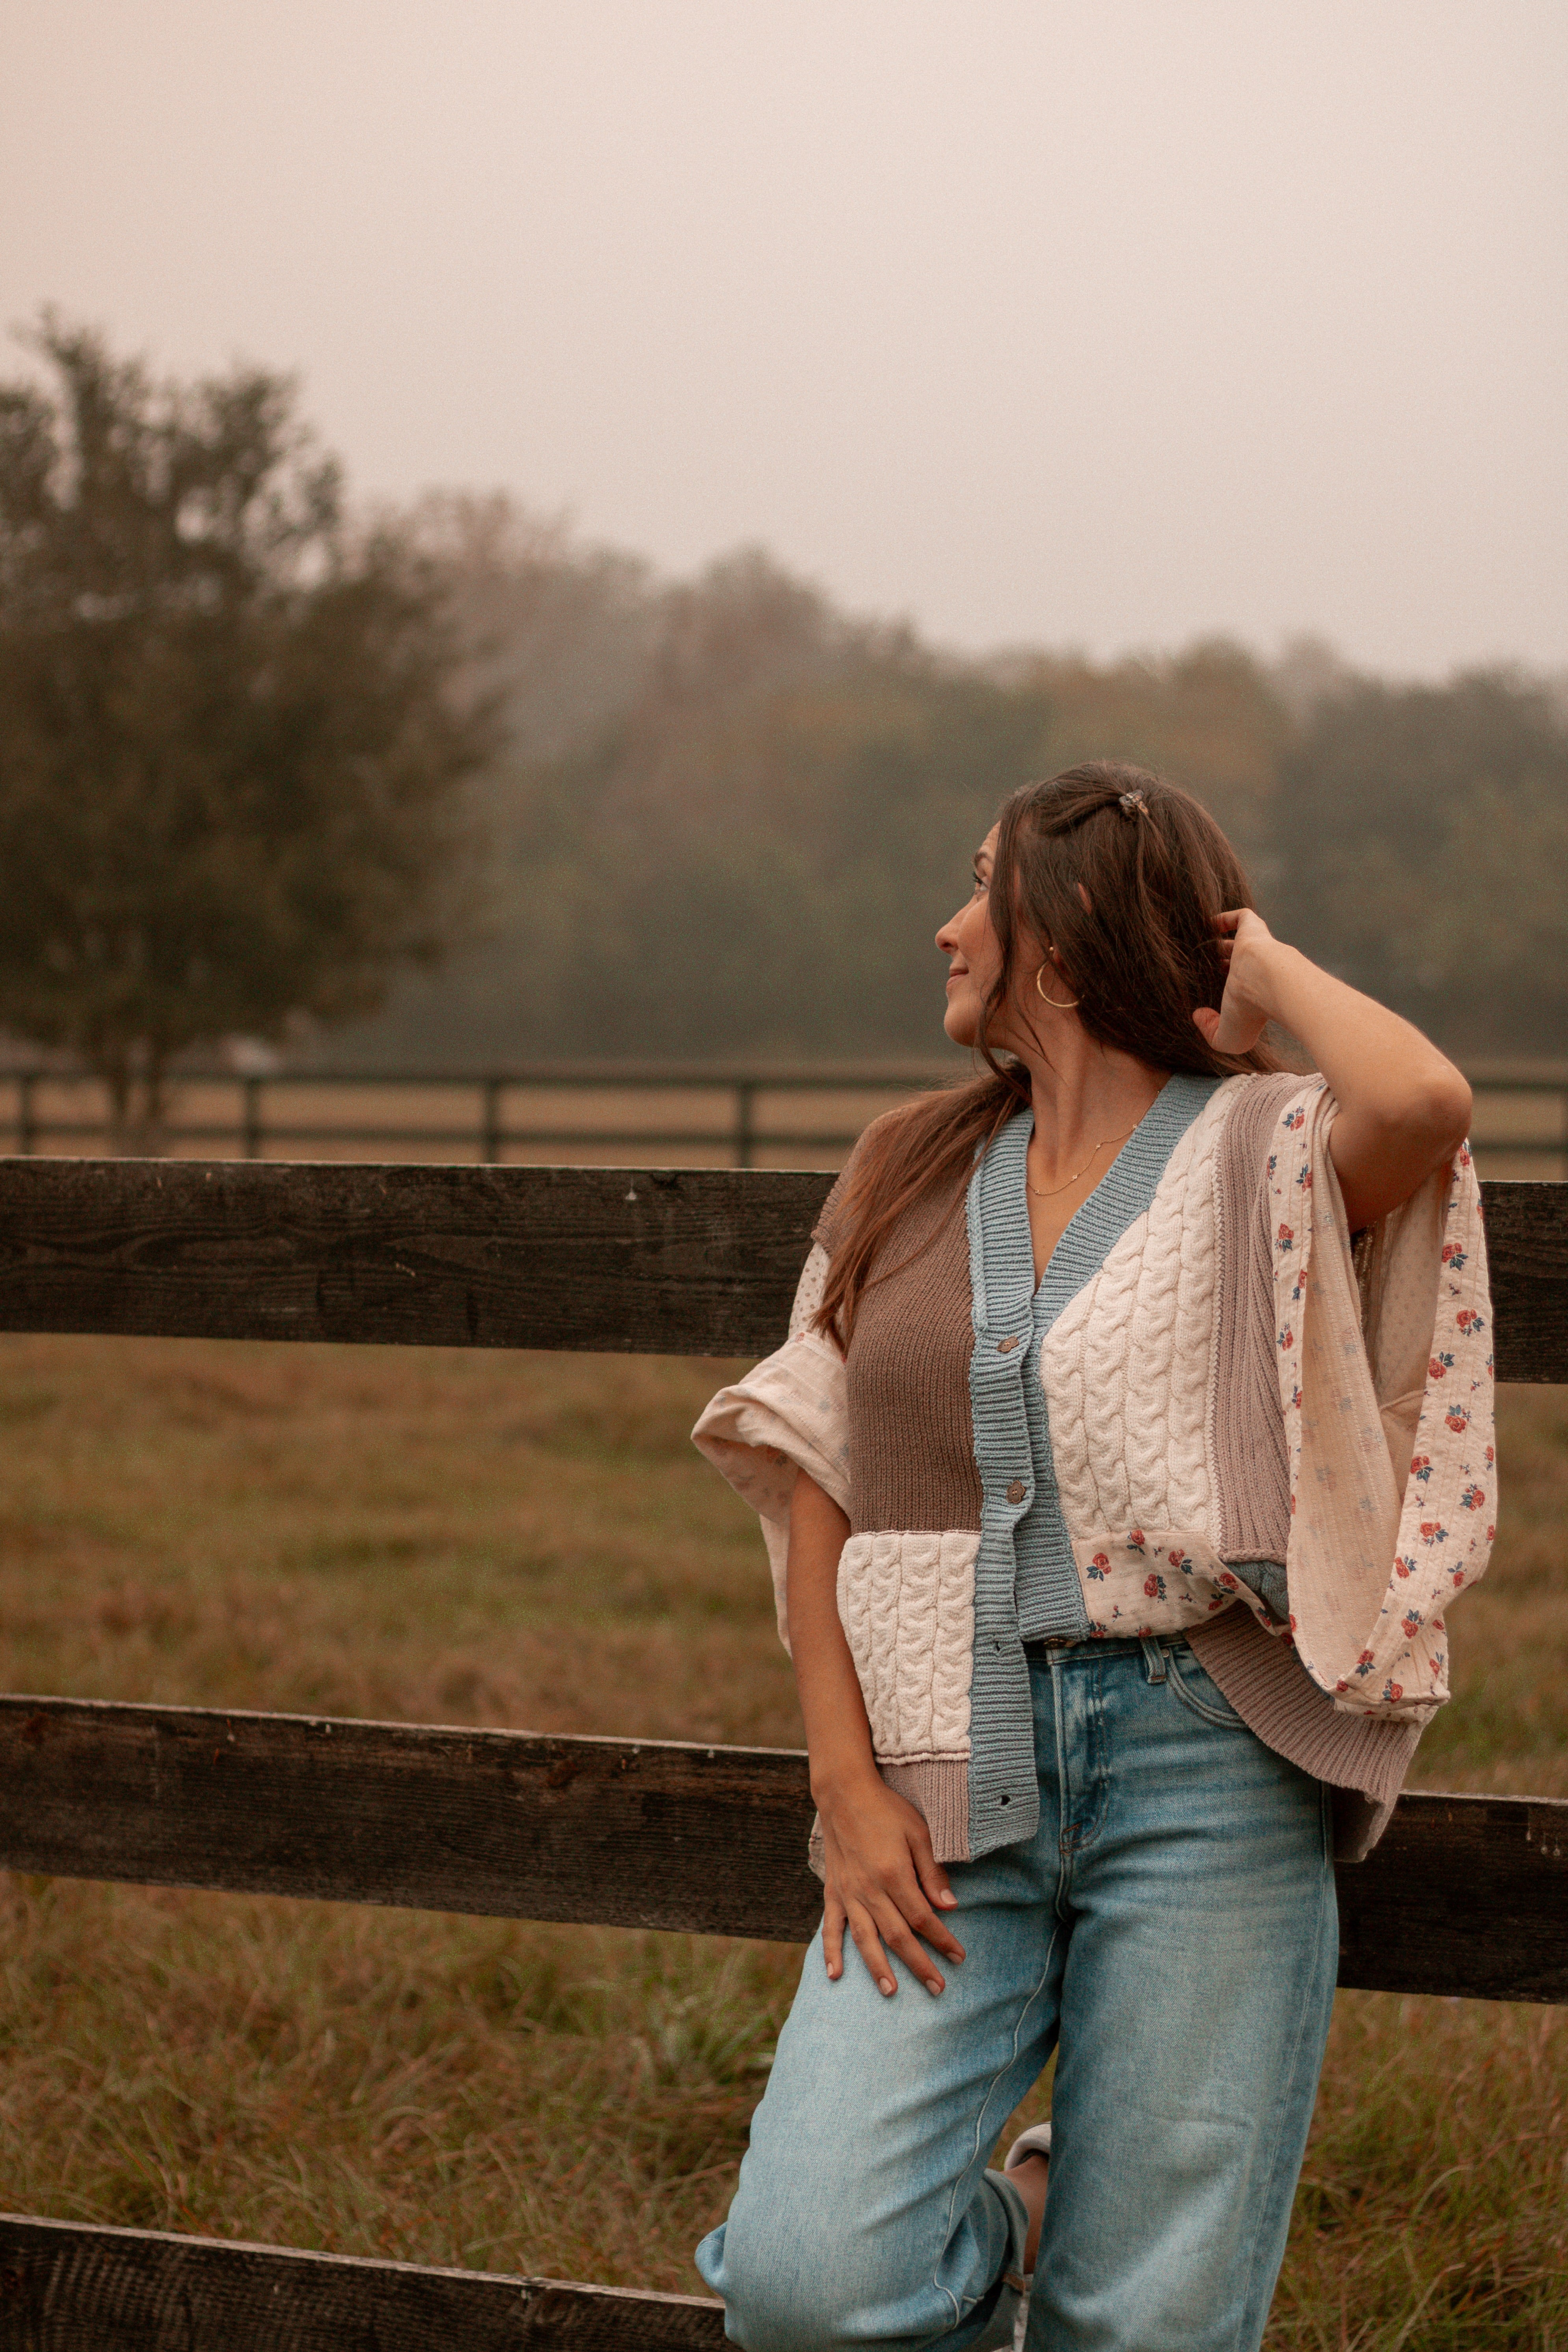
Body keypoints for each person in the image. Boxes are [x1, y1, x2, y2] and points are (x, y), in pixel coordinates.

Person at [691, 764, 1495, 2352]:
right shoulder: (900, 1167)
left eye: (973, 887)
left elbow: (1419, 1104)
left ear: (1058, 930)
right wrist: (839, 1787)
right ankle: (1031, 2219)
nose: (940, 929)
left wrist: (1254, 974)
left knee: (1149, 2327)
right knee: (804, 2279)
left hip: (1209, 1771)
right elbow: (811, 1474)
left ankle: (1094, 2231)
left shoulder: (1270, 1147)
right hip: (938, 1785)